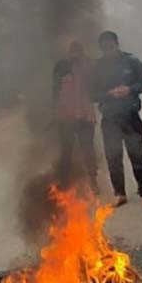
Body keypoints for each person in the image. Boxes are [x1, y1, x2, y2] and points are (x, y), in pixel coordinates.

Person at [91, 30, 142, 211]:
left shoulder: (131, 61)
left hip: (130, 117)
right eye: (104, 48)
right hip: (109, 118)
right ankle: (120, 194)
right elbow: (91, 94)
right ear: (101, 49)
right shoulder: (98, 67)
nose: (108, 51)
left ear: (117, 45)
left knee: (137, 156)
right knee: (113, 157)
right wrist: (109, 93)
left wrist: (130, 89)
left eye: (111, 47)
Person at [52, 40, 99, 194]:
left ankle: (93, 180)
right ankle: (64, 181)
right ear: (69, 52)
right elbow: (54, 91)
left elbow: (96, 87)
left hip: (85, 116)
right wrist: (55, 113)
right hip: (66, 117)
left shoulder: (89, 66)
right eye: (73, 51)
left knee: (88, 149)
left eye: (78, 51)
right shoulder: (61, 66)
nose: (75, 54)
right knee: (66, 151)